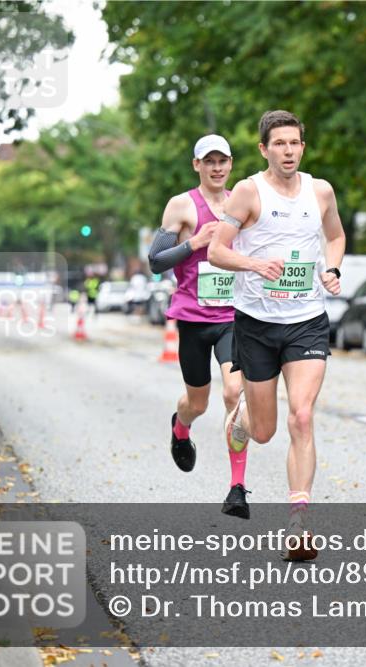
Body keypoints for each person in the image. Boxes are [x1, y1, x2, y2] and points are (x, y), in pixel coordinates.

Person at [209, 110, 344, 560]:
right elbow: (216, 251)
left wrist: (332, 268)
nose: (288, 151)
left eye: (295, 143)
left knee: (302, 416)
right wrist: (255, 264)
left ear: (303, 147)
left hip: (306, 318)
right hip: (256, 322)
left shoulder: (320, 190)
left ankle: (299, 527)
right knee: (263, 431)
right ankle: (244, 415)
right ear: (264, 148)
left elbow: (336, 237)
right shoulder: (249, 191)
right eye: (279, 144)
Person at [148, 134, 248, 518]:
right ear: (197, 165)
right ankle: (181, 426)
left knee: (235, 392)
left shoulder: (243, 202)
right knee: (198, 403)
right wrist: (194, 244)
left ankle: (237, 488)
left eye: (223, 161)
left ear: (231, 164)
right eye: (209, 161)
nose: (217, 167)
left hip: (232, 318)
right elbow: (156, 261)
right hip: (192, 318)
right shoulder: (182, 205)